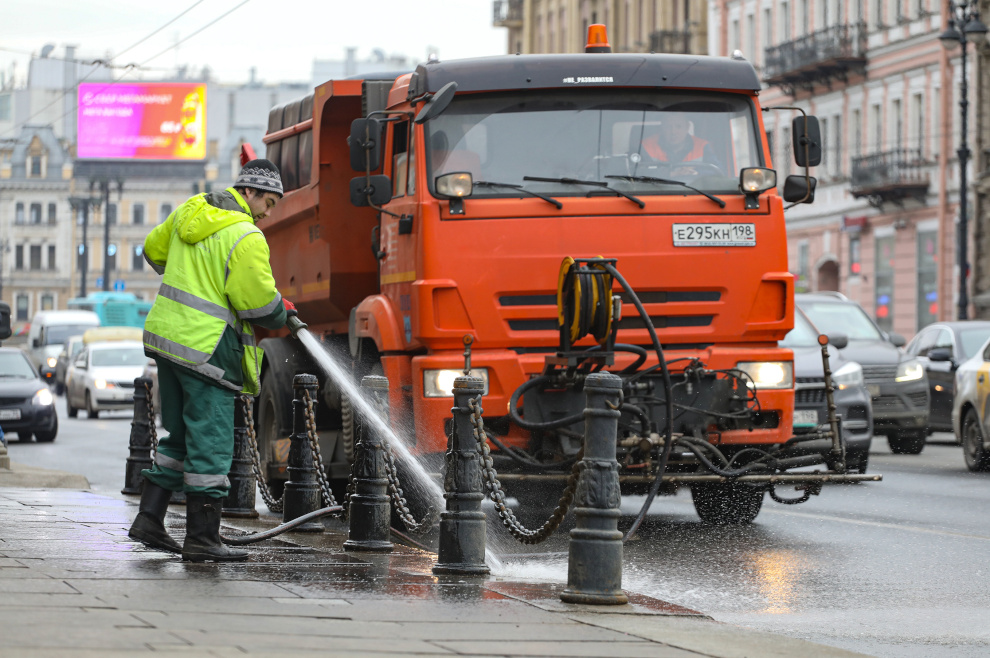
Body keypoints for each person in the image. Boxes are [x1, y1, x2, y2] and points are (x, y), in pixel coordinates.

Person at [128, 159, 297, 562]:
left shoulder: (192, 209)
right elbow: (255, 301)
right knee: (211, 445)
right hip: (207, 349)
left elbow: (153, 248)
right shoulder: (245, 235)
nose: (268, 213)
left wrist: (188, 276)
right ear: (249, 193)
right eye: (268, 203)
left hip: (167, 340)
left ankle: (149, 518)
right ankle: (202, 538)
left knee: (179, 439)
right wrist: (283, 312)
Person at [638, 112, 721, 176]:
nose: (673, 132)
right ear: (662, 128)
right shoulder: (646, 146)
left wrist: (696, 172)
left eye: (678, 126)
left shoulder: (702, 146)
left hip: (695, 193)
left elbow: (718, 171)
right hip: (653, 193)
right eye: (668, 127)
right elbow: (636, 172)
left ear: (687, 127)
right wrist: (671, 173)